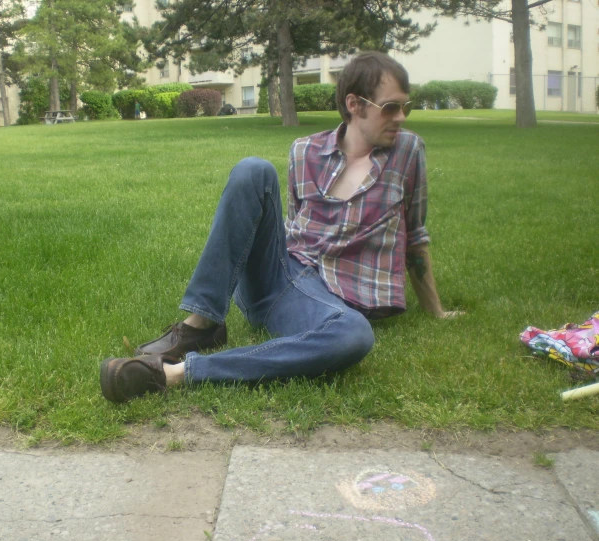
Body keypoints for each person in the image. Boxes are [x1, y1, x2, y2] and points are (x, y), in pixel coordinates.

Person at [100, 52, 460, 403]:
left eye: (405, 107)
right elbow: (288, 228)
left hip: (328, 304)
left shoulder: (408, 151)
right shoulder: (304, 151)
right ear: (355, 104)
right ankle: (200, 325)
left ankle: (172, 374)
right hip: (279, 275)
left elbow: (415, 236)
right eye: (391, 107)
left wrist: (436, 310)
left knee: (353, 334)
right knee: (253, 170)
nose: (400, 117)